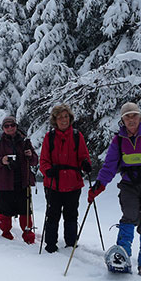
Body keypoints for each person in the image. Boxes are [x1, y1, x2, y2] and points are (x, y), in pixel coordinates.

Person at [88, 102, 141, 275]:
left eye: (134, 115)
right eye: (127, 116)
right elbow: (110, 165)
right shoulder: (119, 140)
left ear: (140, 117)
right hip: (129, 185)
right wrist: (100, 184)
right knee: (129, 215)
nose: (131, 119)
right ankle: (122, 256)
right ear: (122, 120)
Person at [39, 104, 92, 253]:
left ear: (70, 118)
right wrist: (48, 171)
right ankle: (50, 244)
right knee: (52, 214)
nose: (63, 120)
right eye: (60, 117)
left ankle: (71, 243)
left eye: (66, 117)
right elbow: (43, 160)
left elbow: (83, 156)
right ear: (55, 120)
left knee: (71, 214)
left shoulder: (77, 136)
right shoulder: (49, 137)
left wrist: (85, 164)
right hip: (53, 183)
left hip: (73, 183)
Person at [0, 116, 38, 244]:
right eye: (6, 126)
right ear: (3, 128)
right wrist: (2, 161)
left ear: (16, 126)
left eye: (12, 125)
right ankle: (6, 235)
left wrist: (30, 155)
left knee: (25, 211)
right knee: (5, 211)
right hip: (5, 183)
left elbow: (34, 161)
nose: (10, 128)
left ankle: (28, 236)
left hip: (22, 182)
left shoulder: (25, 142)